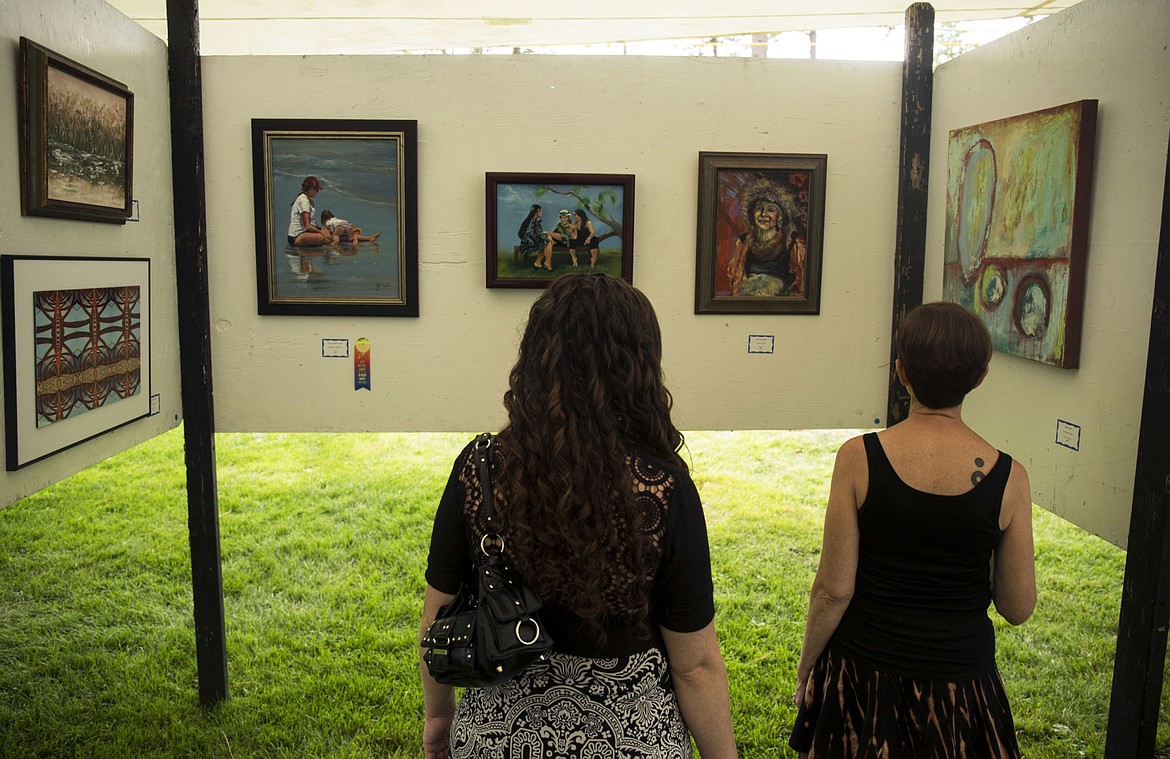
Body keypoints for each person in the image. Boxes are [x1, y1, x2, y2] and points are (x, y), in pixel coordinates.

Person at [420, 273, 737, 759]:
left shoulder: (479, 469)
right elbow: (694, 666)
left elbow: (437, 615)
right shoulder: (664, 490)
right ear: (638, 364)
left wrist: (439, 719)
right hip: (631, 739)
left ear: (536, 359)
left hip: (500, 735)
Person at [789, 301, 1036, 758]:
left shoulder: (858, 458)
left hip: (861, 678)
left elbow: (833, 591)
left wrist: (808, 667)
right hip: (960, 690)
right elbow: (1017, 607)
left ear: (901, 371)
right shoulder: (1009, 478)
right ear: (980, 377)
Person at [725, 178, 806, 296]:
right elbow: (736, 279)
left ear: (780, 217)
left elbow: (800, 284)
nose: (763, 214)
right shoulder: (744, 243)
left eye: (770, 210)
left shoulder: (792, 244)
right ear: (752, 215)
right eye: (759, 209)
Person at [287, 176, 333, 247]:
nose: (317, 193)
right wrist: (321, 232)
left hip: (305, 232)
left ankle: (331, 242)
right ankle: (332, 245)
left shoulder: (309, 200)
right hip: (296, 236)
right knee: (320, 237)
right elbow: (307, 226)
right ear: (311, 189)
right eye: (316, 190)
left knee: (326, 231)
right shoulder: (303, 201)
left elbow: (312, 222)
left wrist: (321, 229)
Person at [517, 204, 548, 269]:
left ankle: (539, 263)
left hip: (534, 240)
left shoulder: (537, 221)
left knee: (546, 240)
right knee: (545, 242)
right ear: (537, 211)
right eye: (541, 211)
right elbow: (525, 234)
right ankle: (538, 263)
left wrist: (544, 236)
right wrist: (544, 237)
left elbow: (539, 232)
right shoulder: (529, 221)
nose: (541, 213)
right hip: (528, 242)